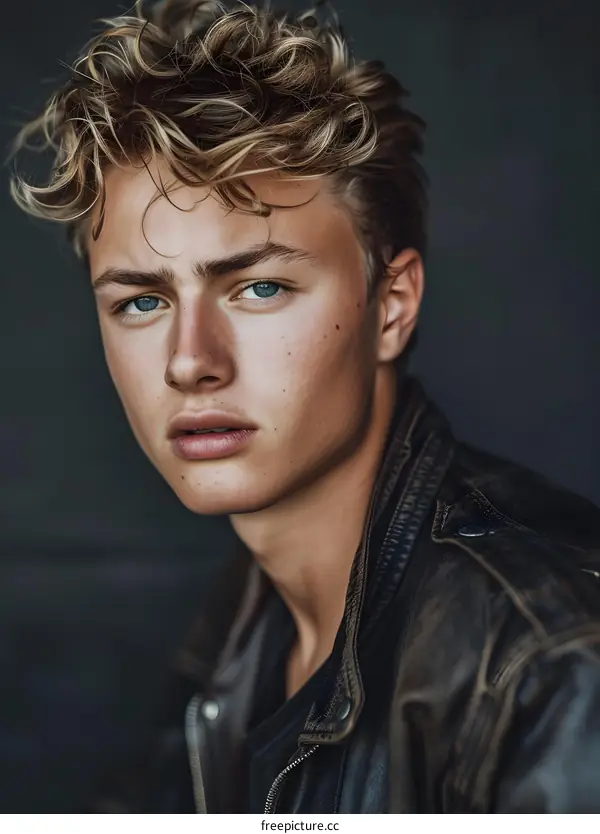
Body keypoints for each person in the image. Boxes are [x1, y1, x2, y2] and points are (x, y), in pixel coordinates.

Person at [9, 0, 600, 814]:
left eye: (259, 287)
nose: (190, 361)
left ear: (390, 306)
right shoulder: (245, 620)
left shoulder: (552, 663)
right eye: (141, 302)